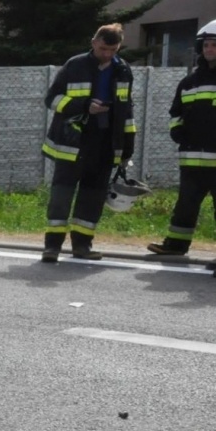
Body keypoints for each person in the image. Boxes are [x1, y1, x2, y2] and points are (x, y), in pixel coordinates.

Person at [40, 23, 136, 263]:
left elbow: (126, 110)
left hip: (104, 143)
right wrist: (84, 107)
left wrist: (127, 145)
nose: (107, 54)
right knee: (61, 197)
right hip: (72, 142)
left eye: (113, 50)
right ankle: (52, 247)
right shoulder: (75, 65)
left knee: (92, 198)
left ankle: (82, 246)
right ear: (93, 42)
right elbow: (52, 99)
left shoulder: (123, 70)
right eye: (103, 48)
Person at [147, 21, 216, 259]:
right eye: (206, 45)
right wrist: (177, 132)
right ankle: (175, 245)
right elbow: (175, 113)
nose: (209, 49)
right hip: (191, 159)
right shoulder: (189, 82)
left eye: (214, 45)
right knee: (185, 205)